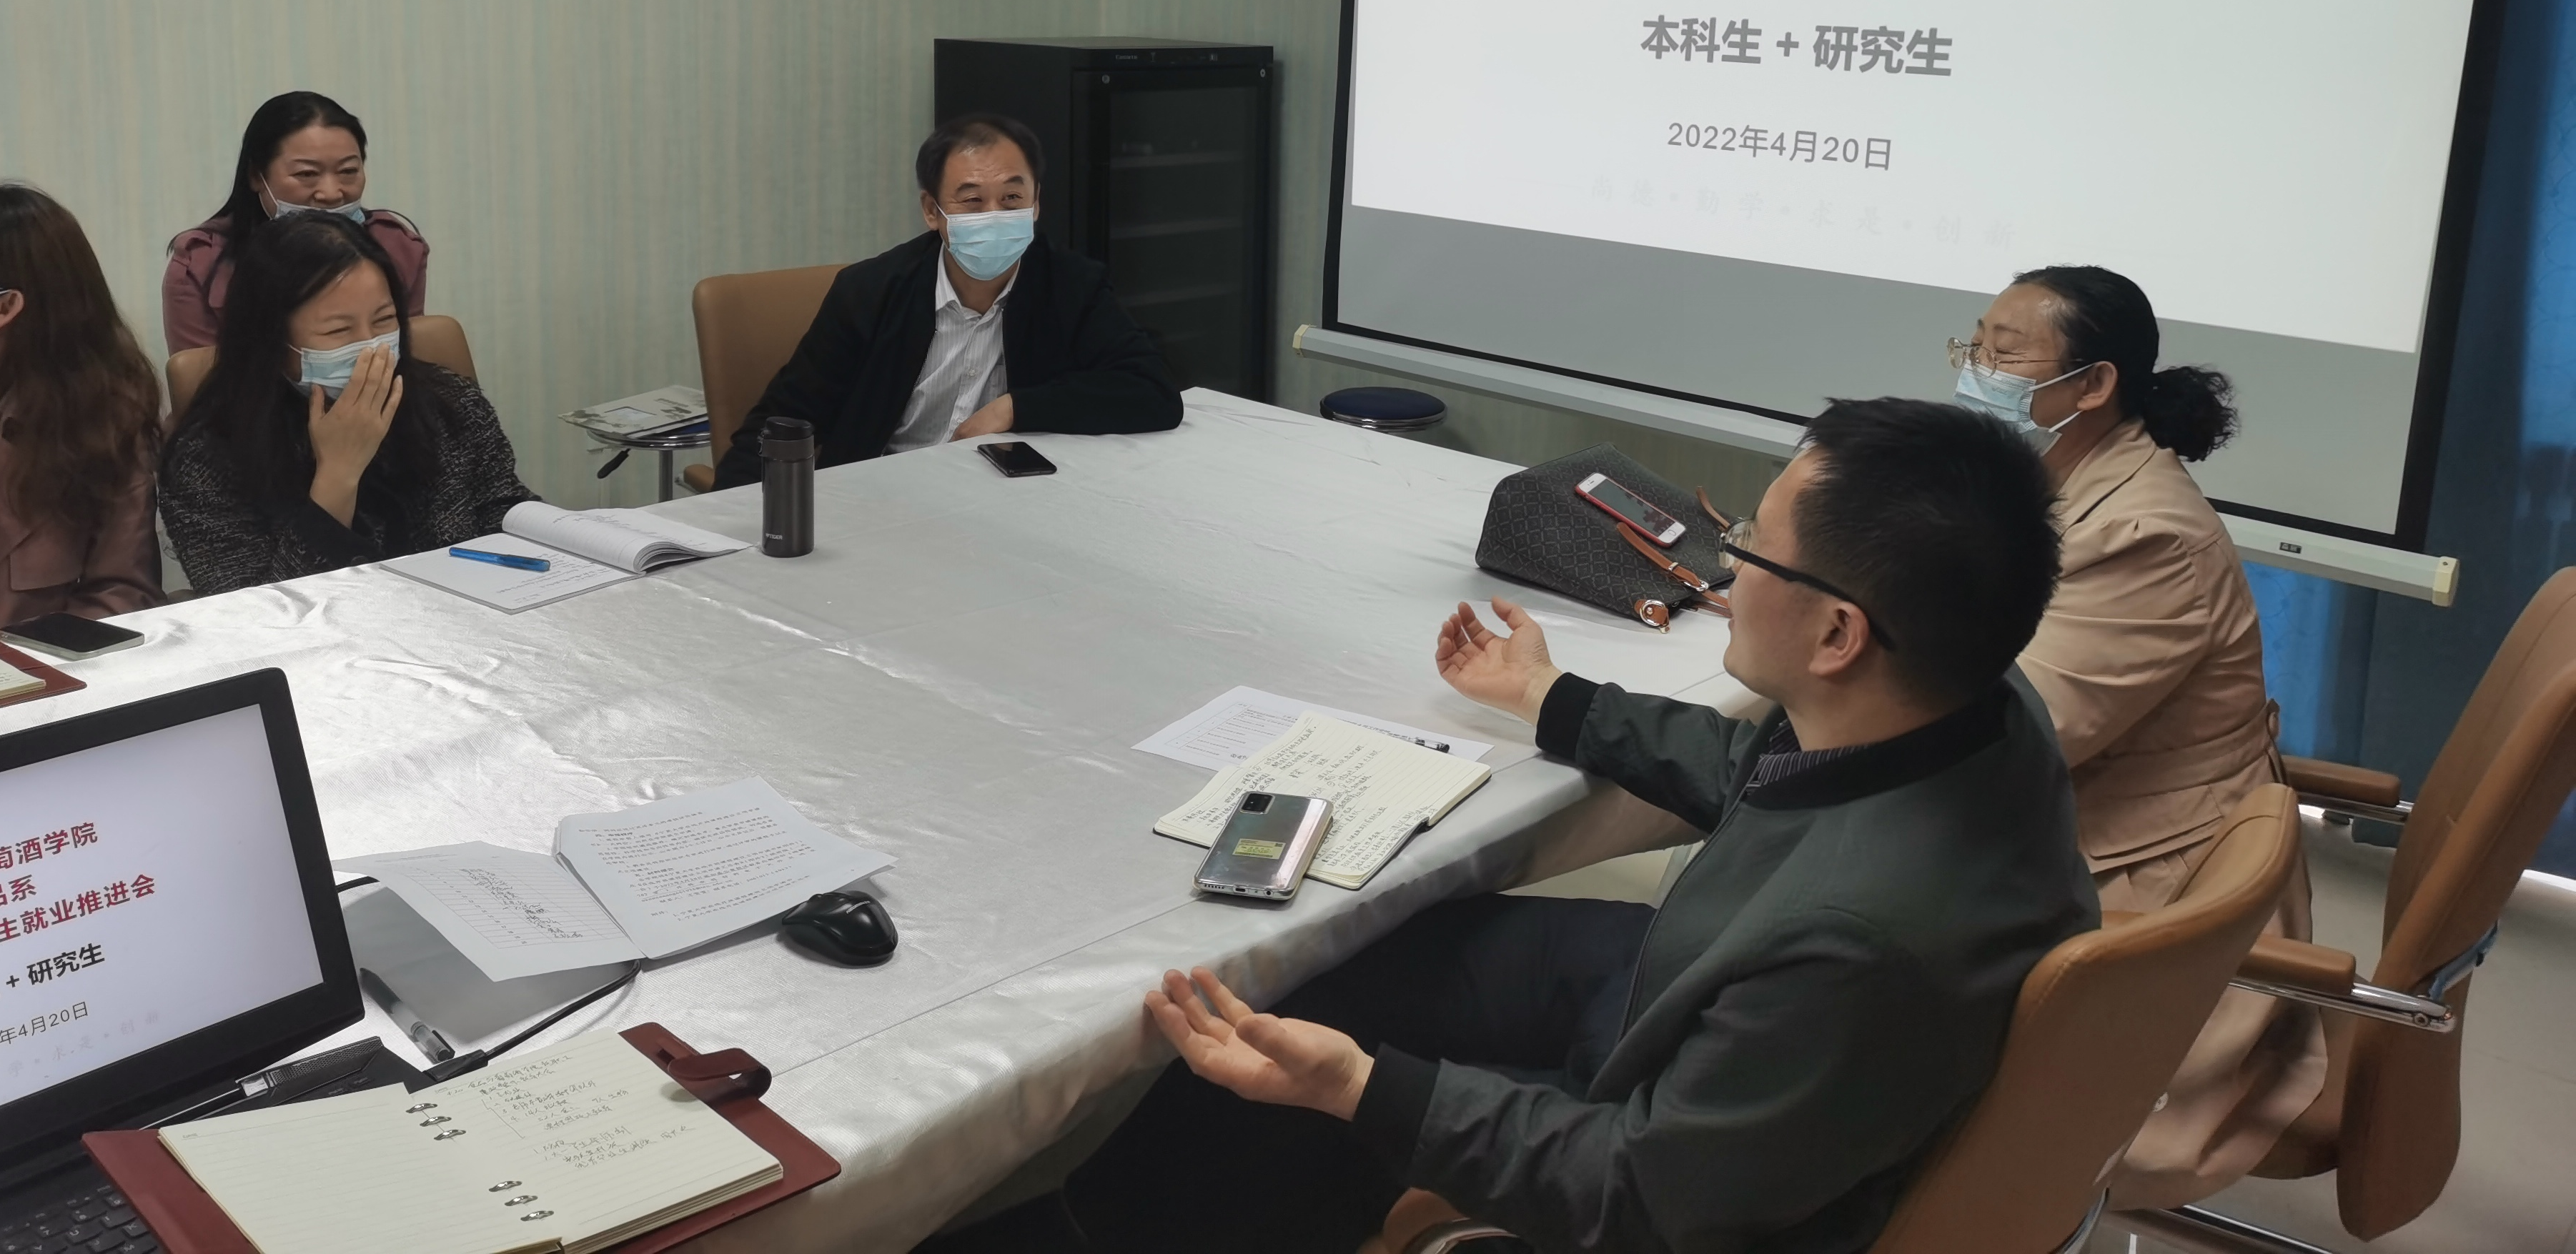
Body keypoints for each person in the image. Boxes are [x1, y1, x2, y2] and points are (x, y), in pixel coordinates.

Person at [974, 399, 2093, 1254]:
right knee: (1343, 958)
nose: (1726, 566)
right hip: (1699, 987)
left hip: (1694, 1126)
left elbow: (1643, 1194)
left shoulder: (1861, 944)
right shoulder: (1971, 701)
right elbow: (1756, 772)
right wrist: (1551, 698)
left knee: (1313, 1080)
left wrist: (1359, 1088)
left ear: (1838, 634)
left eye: (1752, 547)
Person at [1951, 264, 2321, 1208]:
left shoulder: (2148, 534)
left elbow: (2015, 735)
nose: (1977, 369)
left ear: (2094, 384)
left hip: (2135, 895)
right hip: (2083, 837)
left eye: (2003, 353)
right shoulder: (2058, 482)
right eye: (1974, 345)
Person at [715, 114, 1181, 482]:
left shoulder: (1071, 285)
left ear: (1036, 203)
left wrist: (1014, 407)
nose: (994, 215)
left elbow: (1152, 392)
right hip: (880, 499)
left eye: (1012, 198)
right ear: (931, 211)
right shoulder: (870, 292)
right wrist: (722, 525)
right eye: (972, 201)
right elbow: (783, 422)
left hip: (1005, 504)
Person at [159, 212, 529, 594]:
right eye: (339, 330)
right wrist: (338, 474)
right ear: (269, 341)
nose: (371, 348)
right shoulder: (206, 456)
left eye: (384, 320)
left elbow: (506, 513)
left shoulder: (451, 402)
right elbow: (253, 611)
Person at [0, 185, 164, 632]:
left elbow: (122, 596)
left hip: (30, 672)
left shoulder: (103, 420)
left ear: (4, 306)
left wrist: (3, 664)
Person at [163, 91, 429, 355]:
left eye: (348, 171)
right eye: (307, 174)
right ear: (256, 176)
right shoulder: (200, 265)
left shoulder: (397, 247)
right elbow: (198, 376)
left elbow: (411, 355)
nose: (331, 193)